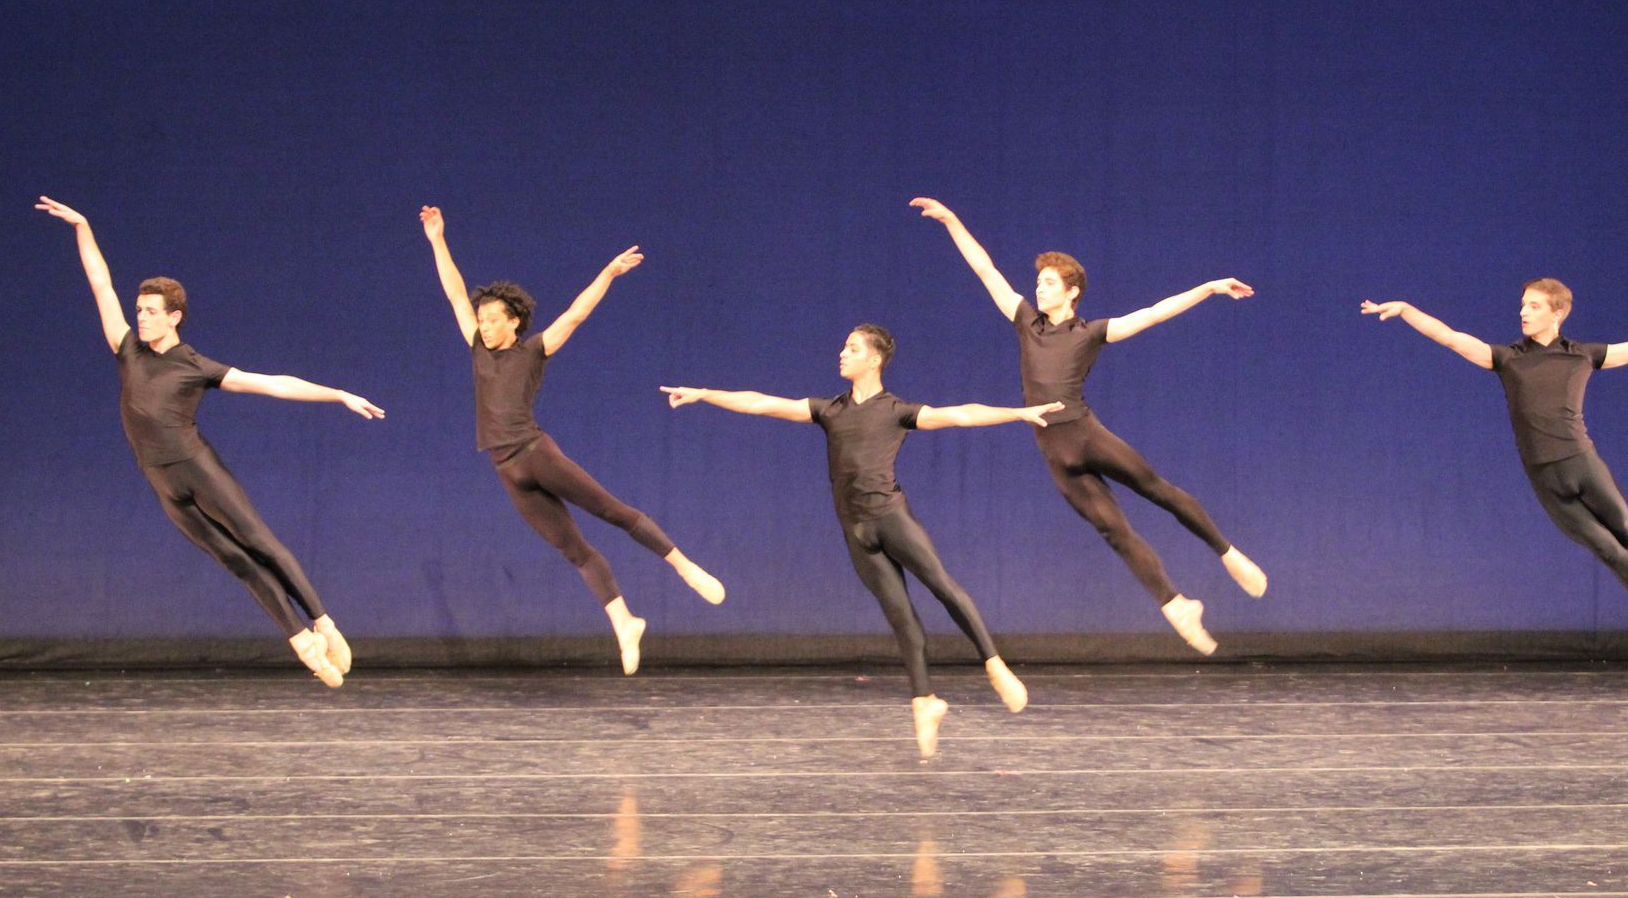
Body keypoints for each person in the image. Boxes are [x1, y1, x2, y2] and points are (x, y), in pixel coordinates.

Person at [662, 324, 1058, 756]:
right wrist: (705, 392)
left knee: (944, 588)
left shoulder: (895, 411)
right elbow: (762, 404)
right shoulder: (830, 410)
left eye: (852, 348)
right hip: (855, 531)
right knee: (902, 618)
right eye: (843, 347)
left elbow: (959, 413)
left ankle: (995, 665)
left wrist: (1015, 413)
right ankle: (925, 701)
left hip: (891, 520)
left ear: (874, 360)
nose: (841, 353)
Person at [37, 196, 383, 686]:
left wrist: (338, 394)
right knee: (234, 559)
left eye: (151, 311)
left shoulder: (195, 365)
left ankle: (324, 623)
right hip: (161, 481)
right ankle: (302, 643)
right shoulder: (127, 349)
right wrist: (83, 227)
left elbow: (272, 382)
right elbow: (100, 283)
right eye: (139, 310)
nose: (141, 317)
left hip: (197, 469)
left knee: (260, 542)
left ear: (174, 317)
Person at [912, 197, 1267, 656]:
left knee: (1157, 489)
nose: (1039, 289)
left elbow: (1154, 312)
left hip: (1085, 434)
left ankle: (1228, 553)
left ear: (1071, 291)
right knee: (1113, 530)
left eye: (1048, 283)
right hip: (1054, 451)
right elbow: (986, 271)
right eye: (1037, 282)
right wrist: (953, 222)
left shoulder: (1091, 332)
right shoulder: (1025, 322)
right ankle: (1177, 607)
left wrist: (1209, 287)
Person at [1359, 279, 1628, 649]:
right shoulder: (1508, 359)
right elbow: (1451, 338)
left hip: (1583, 463)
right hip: (1545, 477)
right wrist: (1407, 309)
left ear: (1557, 314)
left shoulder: (1582, 355)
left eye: (1533, 306)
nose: (1523, 312)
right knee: (1606, 548)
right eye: (1522, 306)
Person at [420, 206, 724, 675]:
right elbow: (456, 294)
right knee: (573, 549)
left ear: (513, 323)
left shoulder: (533, 349)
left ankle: (684, 565)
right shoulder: (477, 347)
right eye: (481, 319)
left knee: (611, 511)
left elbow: (576, 314)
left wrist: (608, 273)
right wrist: (438, 239)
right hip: (505, 468)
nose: (482, 324)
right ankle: (624, 621)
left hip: (535, 453)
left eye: (492, 319)